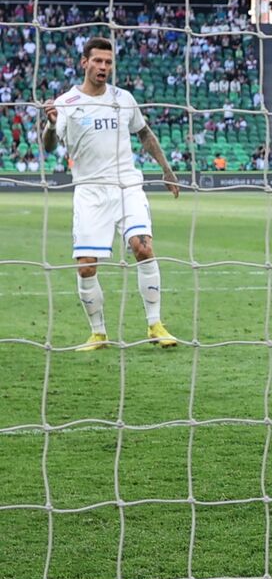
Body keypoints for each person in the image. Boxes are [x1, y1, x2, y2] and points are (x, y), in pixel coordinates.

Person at [40, 38, 180, 351]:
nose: (104, 67)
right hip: (89, 190)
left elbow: (144, 133)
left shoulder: (123, 98)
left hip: (127, 186)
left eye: (108, 62)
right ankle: (98, 333)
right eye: (98, 61)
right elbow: (48, 145)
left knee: (143, 249)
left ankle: (155, 324)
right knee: (87, 266)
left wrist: (167, 169)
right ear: (84, 63)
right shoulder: (66, 103)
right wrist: (50, 126)